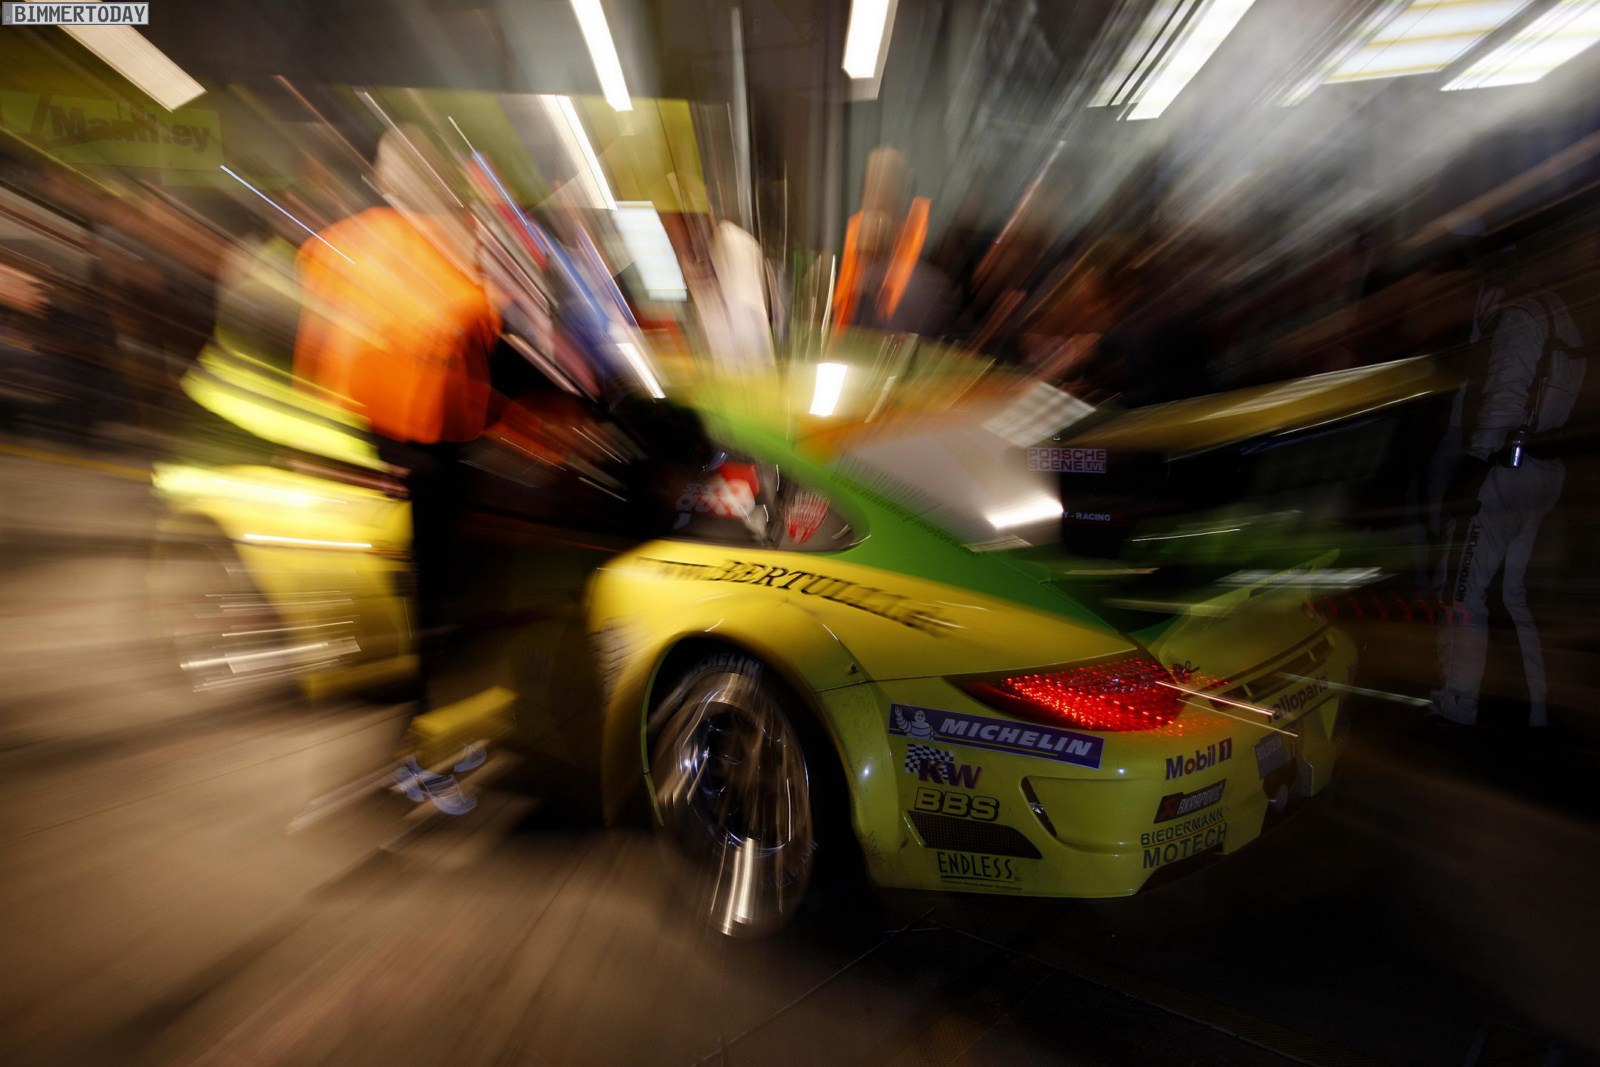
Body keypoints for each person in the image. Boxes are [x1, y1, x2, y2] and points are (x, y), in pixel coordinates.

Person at [294, 125, 501, 812]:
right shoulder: (420, 248)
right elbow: (473, 322)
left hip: (411, 450)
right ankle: (420, 754)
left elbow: (327, 328)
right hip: (422, 455)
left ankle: (422, 742)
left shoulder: (358, 244)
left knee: (435, 605)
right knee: (438, 608)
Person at [1428, 243, 1586, 730]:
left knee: (1461, 592)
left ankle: (1456, 703)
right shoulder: (1559, 312)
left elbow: (1503, 394)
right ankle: (1536, 708)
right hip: (1544, 470)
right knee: (1513, 593)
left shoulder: (1517, 317)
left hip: (1503, 470)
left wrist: (1477, 462)